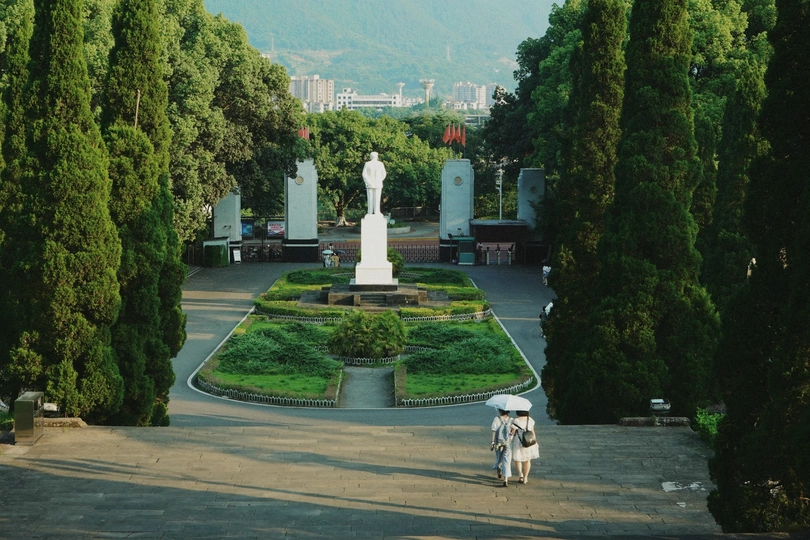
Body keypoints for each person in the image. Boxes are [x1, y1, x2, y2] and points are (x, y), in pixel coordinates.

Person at [510, 410, 540, 484]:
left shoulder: (516, 420)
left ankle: (520, 475)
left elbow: (512, 433)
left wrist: (509, 438)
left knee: (518, 459)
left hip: (519, 442)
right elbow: (533, 432)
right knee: (527, 460)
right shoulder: (530, 420)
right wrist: (535, 441)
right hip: (529, 442)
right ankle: (526, 477)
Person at [490, 409, 513, 487]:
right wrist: (509, 437)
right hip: (508, 442)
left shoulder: (496, 419)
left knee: (499, 456)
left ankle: (499, 469)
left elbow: (493, 430)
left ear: (500, 411)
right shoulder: (511, 420)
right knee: (507, 460)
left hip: (498, 442)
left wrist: (492, 442)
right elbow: (513, 432)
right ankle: (505, 479)